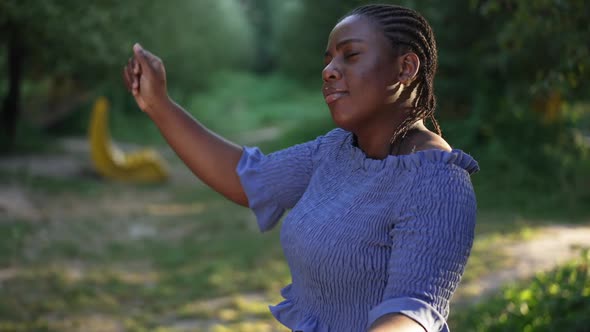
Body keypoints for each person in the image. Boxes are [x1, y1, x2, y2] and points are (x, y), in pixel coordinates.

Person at [123, 4, 478, 332]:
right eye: (328, 60)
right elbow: (248, 178)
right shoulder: (337, 150)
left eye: (350, 55)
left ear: (405, 67)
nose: (328, 71)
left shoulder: (437, 181)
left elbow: (411, 314)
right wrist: (159, 105)